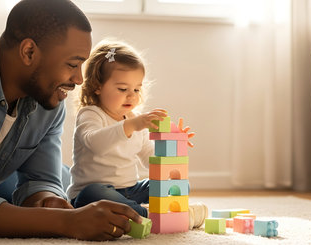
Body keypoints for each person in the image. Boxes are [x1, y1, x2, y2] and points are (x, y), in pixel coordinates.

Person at [0, 0, 141, 241]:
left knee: (64, 179)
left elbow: (41, 179)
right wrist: (67, 222)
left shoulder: (47, 101)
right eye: (72, 64)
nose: (80, 79)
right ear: (28, 51)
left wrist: (48, 201)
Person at [66, 39, 208, 230]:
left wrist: (174, 143)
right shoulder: (91, 114)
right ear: (97, 86)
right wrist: (131, 125)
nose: (132, 95)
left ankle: (146, 212)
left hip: (130, 191)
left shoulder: (134, 120)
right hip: (91, 193)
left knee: (176, 183)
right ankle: (152, 217)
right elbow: (95, 143)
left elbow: (151, 160)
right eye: (123, 89)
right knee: (95, 193)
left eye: (136, 89)